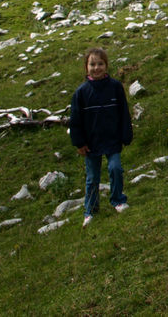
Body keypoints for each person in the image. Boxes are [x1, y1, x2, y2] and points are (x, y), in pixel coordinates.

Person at [69, 47, 133, 227]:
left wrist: (126, 135)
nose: (96, 68)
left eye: (100, 64)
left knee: (115, 169)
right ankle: (90, 211)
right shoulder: (81, 93)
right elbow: (75, 120)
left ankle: (118, 200)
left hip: (112, 140)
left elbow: (123, 113)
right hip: (91, 144)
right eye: (92, 64)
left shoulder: (115, 87)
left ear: (106, 66)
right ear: (86, 67)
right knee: (92, 178)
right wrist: (79, 142)